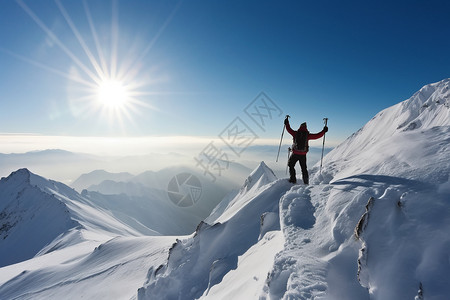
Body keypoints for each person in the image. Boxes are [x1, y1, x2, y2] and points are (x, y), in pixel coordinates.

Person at [284, 117, 328, 184]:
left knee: (291, 165)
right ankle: (306, 182)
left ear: (300, 127)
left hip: (295, 153)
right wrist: (323, 131)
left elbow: (289, 129)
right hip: (303, 155)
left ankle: (293, 180)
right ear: (306, 127)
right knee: (304, 169)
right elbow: (317, 135)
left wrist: (287, 122)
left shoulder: (295, 133)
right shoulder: (307, 135)